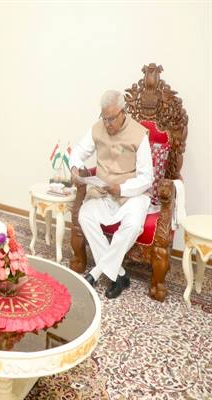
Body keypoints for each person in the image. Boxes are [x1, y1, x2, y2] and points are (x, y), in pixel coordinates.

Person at [70, 90, 153, 299]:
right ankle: (120, 275)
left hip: (132, 194)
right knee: (85, 216)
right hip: (104, 192)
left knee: (133, 225)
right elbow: (78, 151)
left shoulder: (139, 134)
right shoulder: (98, 128)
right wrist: (74, 167)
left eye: (111, 118)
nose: (107, 124)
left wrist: (122, 189)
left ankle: (96, 273)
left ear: (123, 112)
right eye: (104, 117)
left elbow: (146, 178)